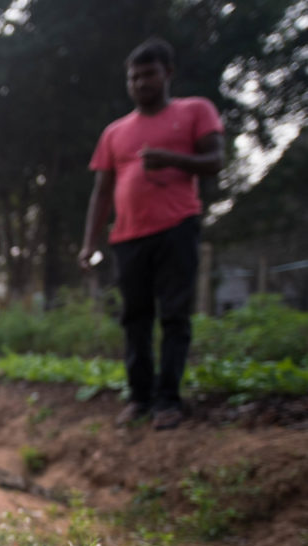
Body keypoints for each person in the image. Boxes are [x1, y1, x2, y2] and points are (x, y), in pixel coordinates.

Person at [79, 37, 224, 430]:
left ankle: (168, 401)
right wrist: (89, 244)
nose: (141, 83)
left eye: (148, 74)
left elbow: (215, 160)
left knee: (174, 316)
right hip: (128, 237)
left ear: (167, 73)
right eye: (134, 77)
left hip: (177, 227)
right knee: (135, 319)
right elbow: (102, 192)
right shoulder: (115, 132)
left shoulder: (195, 111)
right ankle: (139, 397)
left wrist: (171, 159)